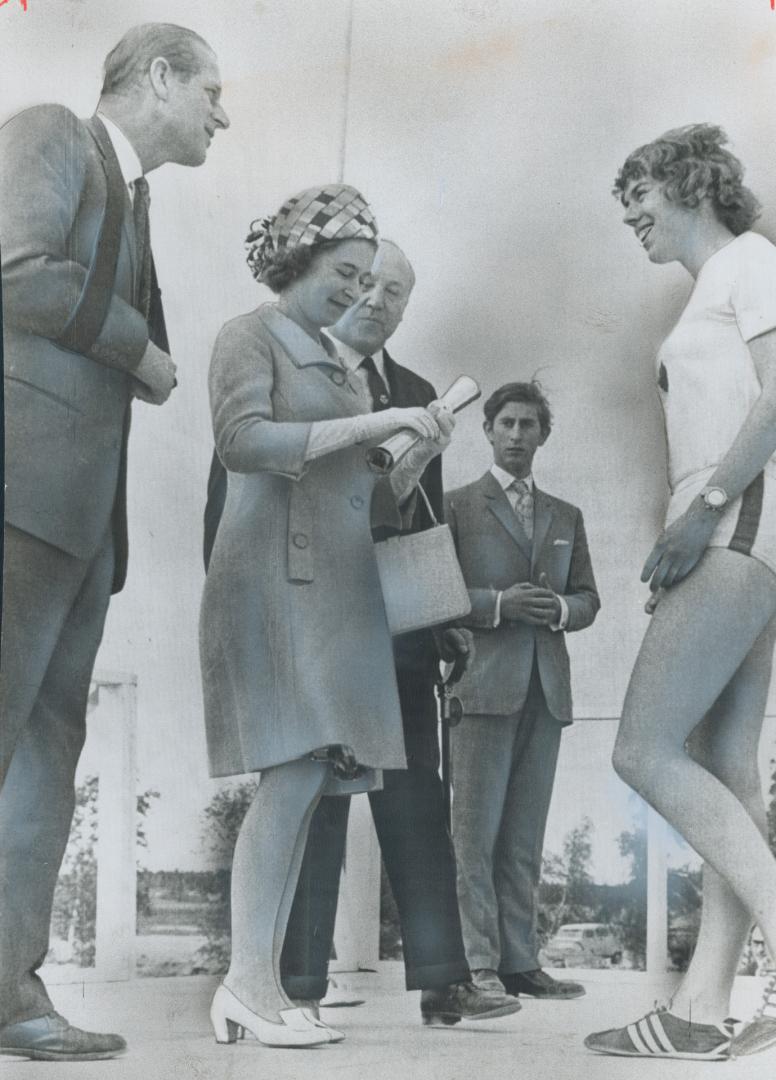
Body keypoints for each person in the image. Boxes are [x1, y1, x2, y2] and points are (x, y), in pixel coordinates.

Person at [0, 23, 229, 1061]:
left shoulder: (134, 197)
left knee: (45, 760)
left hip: (79, 526)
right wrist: (141, 348)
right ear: (160, 76)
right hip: (19, 500)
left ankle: (12, 998)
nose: (222, 115)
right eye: (212, 92)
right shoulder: (50, 131)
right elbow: (16, 270)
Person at [200, 188, 454, 1049]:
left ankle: (257, 986)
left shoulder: (337, 365)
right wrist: (375, 418)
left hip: (338, 592)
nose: (355, 293)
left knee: (308, 783)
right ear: (298, 262)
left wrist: (410, 455)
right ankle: (247, 984)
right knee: (288, 778)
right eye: (344, 274)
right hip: (273, 579)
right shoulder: (250, 334)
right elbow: (242, 442)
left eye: (366, 279)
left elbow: (365, 499)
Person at [273, 240, 521, 1027]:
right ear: (340, 286)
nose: (381, 301)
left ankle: (444, 981)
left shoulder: (416, 391)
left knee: (418, 799)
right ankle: (297, 986)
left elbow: (421, 519)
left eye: (399, 294)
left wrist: (444, 616)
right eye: (370, 284)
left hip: (399, 627)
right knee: (314, 797)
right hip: (315, 619)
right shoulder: (296, 373)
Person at [585, 123, 776, 1062]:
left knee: (642, 750)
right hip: (736, 532)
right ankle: (701, 1007)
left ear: (692, 184)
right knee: (727, 765)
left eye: (640, 192)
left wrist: (702, 512)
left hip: (735, 528)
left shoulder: (751, 262)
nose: (630, 214)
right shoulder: (716, 283)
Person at [445, 381, 600, 1003]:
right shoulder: (456, 506)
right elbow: (434, 596)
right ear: (486, 430)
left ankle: (520, 963)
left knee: (524, 837)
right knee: (473, 837)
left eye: (528, 425)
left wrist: (560, 608)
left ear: (543, 435)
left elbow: (589, 598)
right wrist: (497, 605)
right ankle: (478, 967)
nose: (515, 434)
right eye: (505, 423)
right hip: (480, 688)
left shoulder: (567, 516)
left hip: (547, 690)